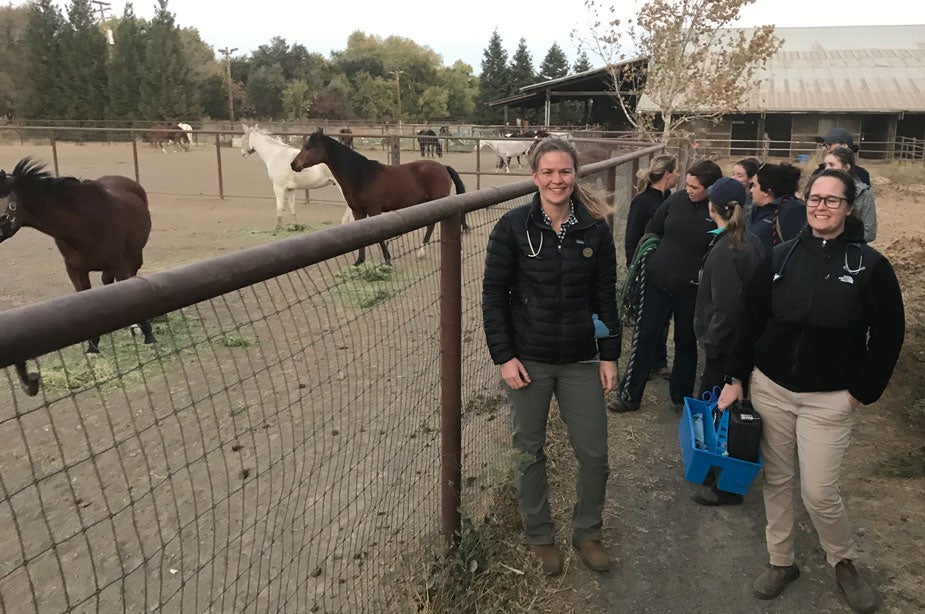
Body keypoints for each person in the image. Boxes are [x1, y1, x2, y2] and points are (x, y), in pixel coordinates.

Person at [716, 169, 905, 613]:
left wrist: (861, 392)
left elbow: (888, 335)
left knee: (819, 491)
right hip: (772, 389)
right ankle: (782, 561)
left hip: (830, 399)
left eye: (832, 201)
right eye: (815, 199)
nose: (821, 207)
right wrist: (735, 377)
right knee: (778, 480)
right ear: (806, 202)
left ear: (848, 208)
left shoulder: (871, 267)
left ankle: (842, 561)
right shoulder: (781, 257)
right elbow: (751, 320)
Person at [482, 137, 621, 576]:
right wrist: (504, 356)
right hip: (530, 359)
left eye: (564, 172)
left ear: (574, 174)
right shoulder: (513, 227)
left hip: (580, 359)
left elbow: (605, 297)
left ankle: (588, 532)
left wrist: (609, 356)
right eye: (548, 172)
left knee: (594, 454)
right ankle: (541, 536)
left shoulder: (594, 228)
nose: (557, 180)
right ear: (534, 176)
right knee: (529, 451)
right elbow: (493, 296)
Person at [610, 159, 722, 413]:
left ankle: (680, 397)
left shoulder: (718, 210)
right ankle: (630, 394)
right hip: (657, 281)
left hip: (692, 290)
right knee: (646, 336)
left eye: (696, 187)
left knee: (686, 341)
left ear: (711, 188)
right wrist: (649, 258)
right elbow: (653, 229)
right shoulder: (675, 201)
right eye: (688, 184)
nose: (690, 190)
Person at [690, 177, 766, 506]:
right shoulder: (751, 241)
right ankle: (727, 477)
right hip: (746, 342)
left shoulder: (726, 250)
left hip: (726, 346)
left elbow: (727, 306)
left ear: (713, 208)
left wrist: (711, 341)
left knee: (719, 411)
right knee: (735, 412)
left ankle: (721, 480)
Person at [624, 154, 680, 379]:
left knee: (662, 316)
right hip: (646, 266)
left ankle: (658, 361)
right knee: (645, 320)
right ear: (667, 174)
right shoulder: (643, 200)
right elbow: (632, 236)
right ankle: (642, 364)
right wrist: (633, 266)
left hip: (665, 267)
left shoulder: (671, 199)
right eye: (676, 171)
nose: (678, 175)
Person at [747, 162, 805, 253]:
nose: (751, 190)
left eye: (754, 186)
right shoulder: (756, 209)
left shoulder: (792, 211)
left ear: (767, 191)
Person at [824, 146, 877, 242]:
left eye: (831, 165)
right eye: (826, 165)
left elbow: (869, 233)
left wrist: (842, 242)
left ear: (846, 167)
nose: (826, 169)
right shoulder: (820, 191)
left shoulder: (864, 193)